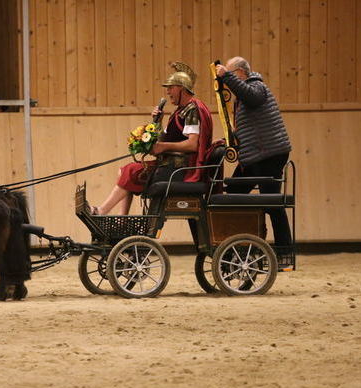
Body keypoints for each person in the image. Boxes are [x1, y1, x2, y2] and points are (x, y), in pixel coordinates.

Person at [93, 62, 213, 215]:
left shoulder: (192, 110)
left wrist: (164, 147)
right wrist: (158, 121)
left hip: (178, 169)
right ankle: (122, 218)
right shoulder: (179, 112)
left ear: (181, 88)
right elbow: (164, 138)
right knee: (124, 171)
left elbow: (193, 145)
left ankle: (102, 211)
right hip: (168, 163)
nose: (168, 92)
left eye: (170, 88)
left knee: (129, 171)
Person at [216, 56, 292, 249]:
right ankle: (245, 241)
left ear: (240, 72)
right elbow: (248, 127)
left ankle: (284, 248)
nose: (229, 81)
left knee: (271, 202)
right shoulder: (244, 94)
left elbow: (253, 97)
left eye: (232, 75)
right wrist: (229, 139)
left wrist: (226, 76)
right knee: (234, 193)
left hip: (268, 154)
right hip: (257, 155)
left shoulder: (256, 86)